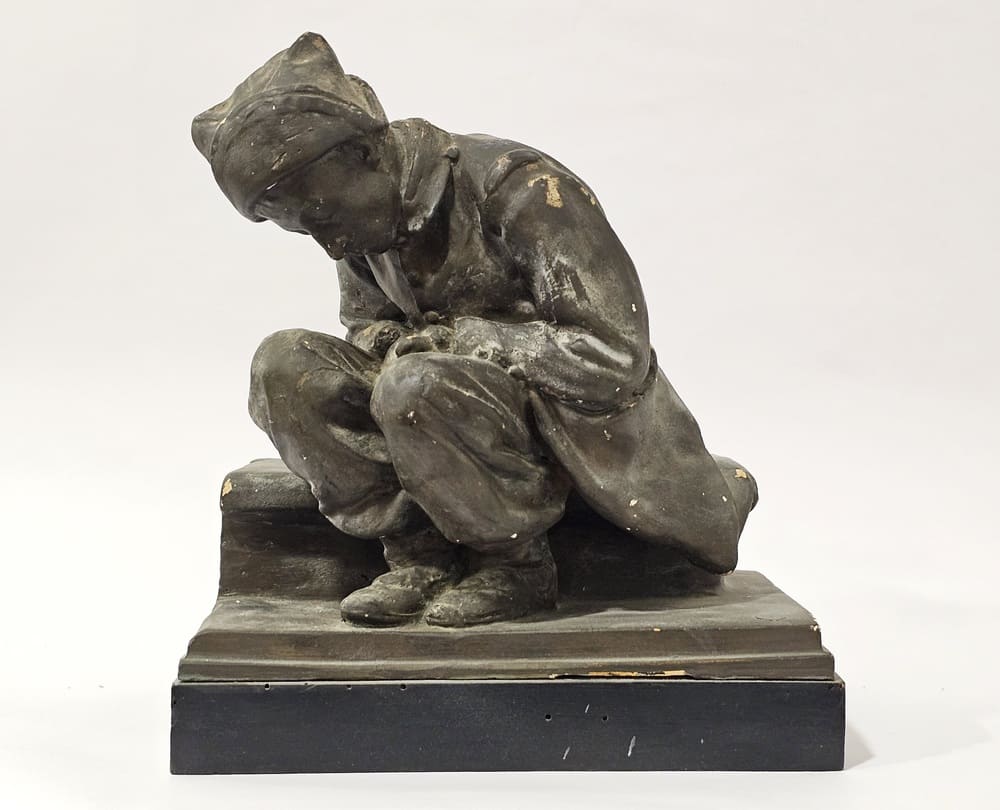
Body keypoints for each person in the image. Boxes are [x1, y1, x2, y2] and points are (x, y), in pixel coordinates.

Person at [192, 32, 758, 627]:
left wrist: (459, 341)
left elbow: (614, 355)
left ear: (363, 154)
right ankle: (420, 555)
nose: (329, 243)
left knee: (414, 384)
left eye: (322, 215)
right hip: (439, 415)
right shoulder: (364, 226)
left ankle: (513, 565)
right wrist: (382, 342)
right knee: (284, 367)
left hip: (561, 420)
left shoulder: (519, 189)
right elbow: (367, 324)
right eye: (304, 231)